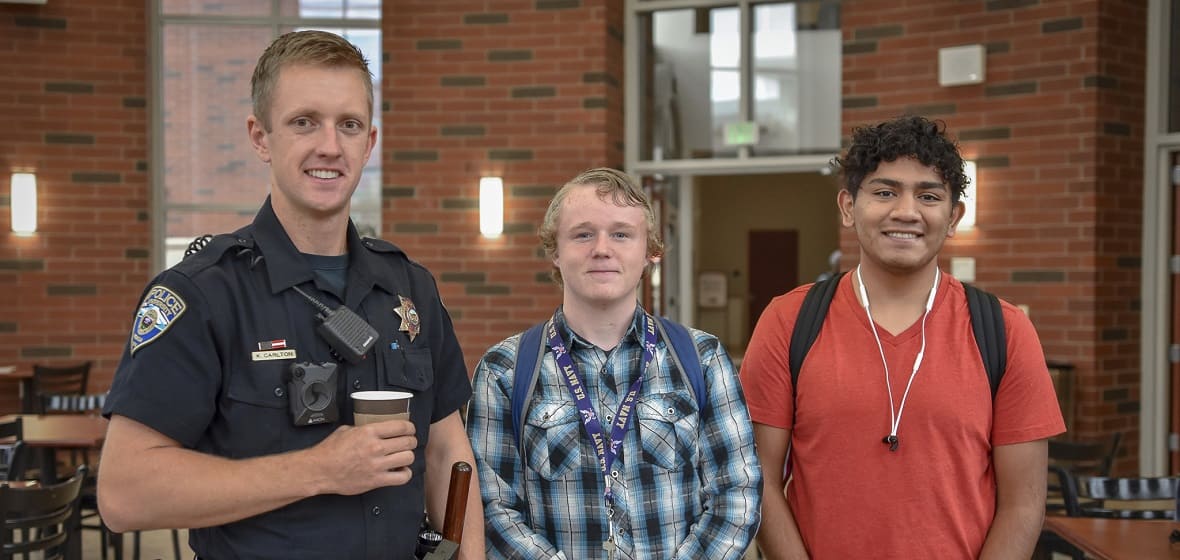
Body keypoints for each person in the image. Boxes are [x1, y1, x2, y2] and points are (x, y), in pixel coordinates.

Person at [96, 30, 485, 560]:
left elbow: (446, 454)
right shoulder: (202, 295)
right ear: (260, 137)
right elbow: (125, 493)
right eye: (304, 122)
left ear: (369, 143)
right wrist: (318, 470)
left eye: (348, 125)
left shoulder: (409, 288)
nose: (329, 145)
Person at [740, 116, 1065, 559]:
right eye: (885, 191)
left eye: (928, 196)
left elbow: (1023, 504)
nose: (906, 211)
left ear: (953, 217)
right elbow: (757, 481)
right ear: (848, 207)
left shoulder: (1005, 331)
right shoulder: (789, 321)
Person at [466, 168, 762, 560]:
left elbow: (737, 493)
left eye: (621, 234)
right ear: (555, 251)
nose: (602, 248)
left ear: (650, 251)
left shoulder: (703, 358)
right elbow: (492, 507)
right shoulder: (504, 370)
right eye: (583, 234)